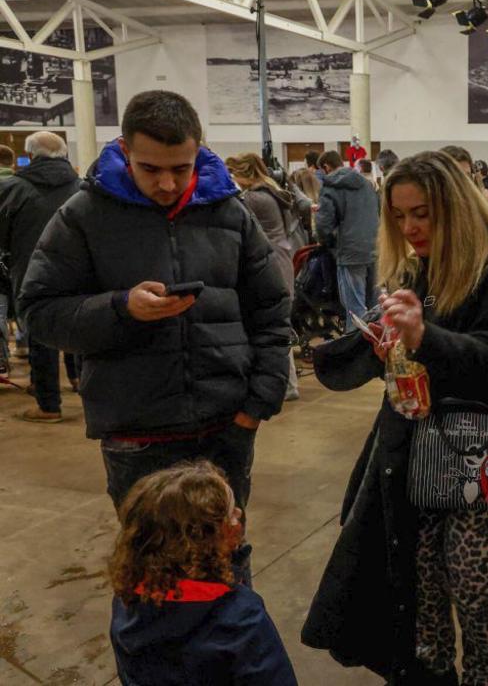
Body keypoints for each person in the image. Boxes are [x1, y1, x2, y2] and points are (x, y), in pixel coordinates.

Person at [302, 151, 488, 685]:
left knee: (473, 583)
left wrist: (424, 337)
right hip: (424, 445)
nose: (410, 227)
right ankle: (432, 673)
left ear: (454, 207)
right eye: (399, 216)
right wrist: (389, 346)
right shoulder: (419, 266)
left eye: (422, 213)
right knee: (422, 579)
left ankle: (486, 680)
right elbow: (421, 358)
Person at [19, 90, 291, 580]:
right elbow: (39, 311)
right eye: (150, 169)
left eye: (180, 169)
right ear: (124, 150)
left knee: (225, 561)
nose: (167, 183)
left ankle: (235, 633)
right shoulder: (84, 215)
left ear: (198, 151)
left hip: (225, 429)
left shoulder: (231, 213)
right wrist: (121, 308)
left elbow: (271, 310)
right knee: (152, 573)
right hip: (137, 436)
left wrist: (257, 405)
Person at [109, 461, 297, 685]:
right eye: (231, 513)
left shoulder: (127, 600)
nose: (239, 513)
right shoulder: (241, 617)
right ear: (204, 539)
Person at [0, 132, 82, 422]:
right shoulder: (81, 187)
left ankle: (48, 405)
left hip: (32, 270)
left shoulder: (13, 189)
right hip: (78, 271)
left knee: (40, 334)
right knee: (77, 327)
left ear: (31, 156)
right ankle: (77, 380)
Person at [226, 152, 302, 402]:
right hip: (283, 259)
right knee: (280, 324)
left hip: (269, 265)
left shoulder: (253, 198)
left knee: (272, 328)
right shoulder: (273, 190)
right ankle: (289, 383)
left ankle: (286, 385)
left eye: (233, 173)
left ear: (243, 172)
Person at [316, 149, 380, 329]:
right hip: (374, 248)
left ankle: (355, 344)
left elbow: (323, 224)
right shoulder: (367, 184)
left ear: (326, 167)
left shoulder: (330, 187)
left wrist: (328, 244)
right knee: (375, 308)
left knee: (354, 310)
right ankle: (376, 343)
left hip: (350, 253)